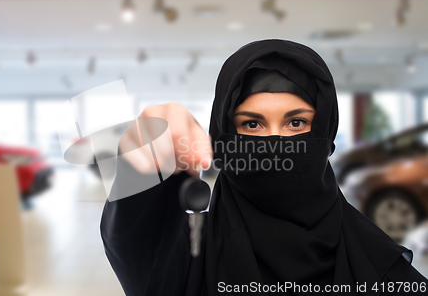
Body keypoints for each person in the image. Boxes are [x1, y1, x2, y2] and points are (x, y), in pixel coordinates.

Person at [100, 39, 428, 295]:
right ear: (224, 134)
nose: (275, 144)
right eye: (252, 125)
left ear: (324, 133)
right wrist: (140, 169)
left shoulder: (379, 269)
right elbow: (133, 238)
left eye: (296, 122)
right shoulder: (188, 261)